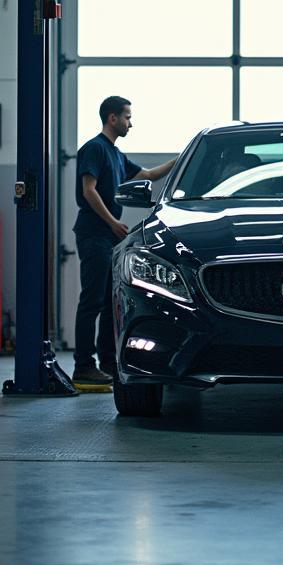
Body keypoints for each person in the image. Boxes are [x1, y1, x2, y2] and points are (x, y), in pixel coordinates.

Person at [72, 95, 178, 389]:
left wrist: (182, 159)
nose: (131, 123)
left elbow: (147, 175)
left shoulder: (116, 155)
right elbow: (88, 189)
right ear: (112, 118)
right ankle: (83, 366)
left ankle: (106, 363)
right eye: (128, 117)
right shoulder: (94, 149)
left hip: (108, 236)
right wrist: (111, 222)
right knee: (91, 300)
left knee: (109, 301)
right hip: (94, 234)